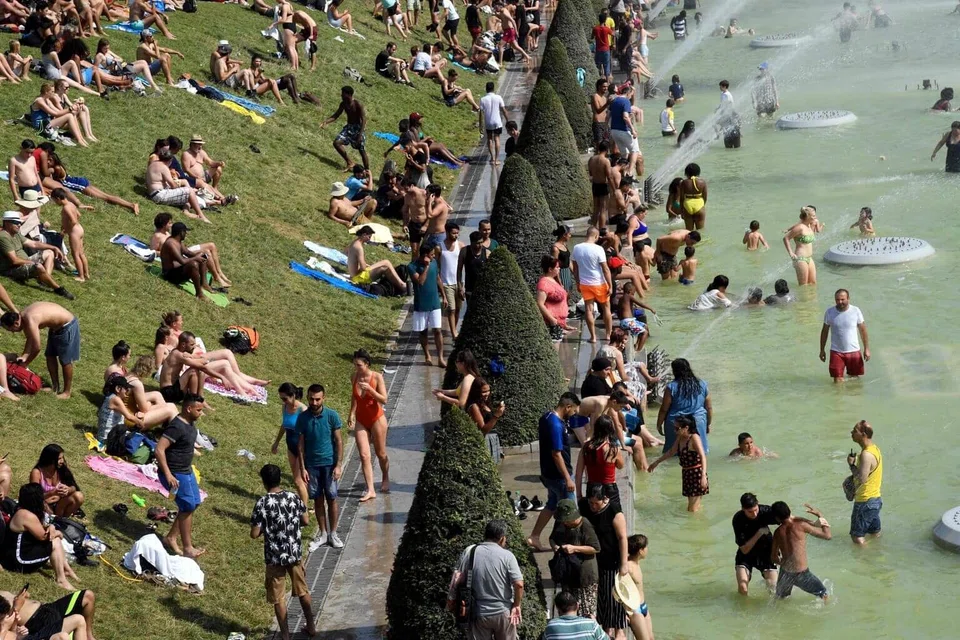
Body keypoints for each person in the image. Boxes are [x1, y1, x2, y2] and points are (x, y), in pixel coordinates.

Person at [251, 464, 315, 640]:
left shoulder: (262, 503)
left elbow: (254, 534)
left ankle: (285, 635)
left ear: (264, 482)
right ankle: (311, 625)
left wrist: (266, 527)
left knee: (279, 597)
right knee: (302, 590)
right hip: (294, 553)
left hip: (274, 557)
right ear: (279, 479)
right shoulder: (293, 497)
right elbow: (306, 520)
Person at [446, 520, 524, 639]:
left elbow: (457, 578)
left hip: (477, 613)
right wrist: (516, 605)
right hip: (503, 613)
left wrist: (451, 602)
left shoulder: (470, 551)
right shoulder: (508, 556)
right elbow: (519, 584)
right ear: (502, 538)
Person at [527, 392, 581, 551]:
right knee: (570, 511)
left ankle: (534, 536)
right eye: (573, 411)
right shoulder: (556, 425)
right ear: (568, 407)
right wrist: (568, 478)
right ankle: (568, 544)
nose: (573, 414)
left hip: (548, 473)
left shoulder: (546, 417)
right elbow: (556, 454)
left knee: (551, 504)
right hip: (560, 476)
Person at [0, 484, 79, 590]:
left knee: (54, 539)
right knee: (55, 541)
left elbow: (40, 529)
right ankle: (61, 580)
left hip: (12, 556)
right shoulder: (26, 515)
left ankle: (67, 570)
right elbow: (44, 537)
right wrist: (58, 533)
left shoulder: (22, 510)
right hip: (18, 561)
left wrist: (51, 527)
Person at [155, 394, 206, 558]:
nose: (201, 413)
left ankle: (170, 538)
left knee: (194, 503)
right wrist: (168, 474)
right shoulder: (176, 426)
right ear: (189, 408)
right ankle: (188, 548)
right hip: (175, 473)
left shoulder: (190, 423)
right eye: (199, 410)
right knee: (187, 506)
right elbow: (159, 449)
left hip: (186, 471)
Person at [297, 384, 344, 551]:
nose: (314, 402)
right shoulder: (302, 418)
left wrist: (338, 465)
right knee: (317, 499)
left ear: (323, 398)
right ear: (307, 398)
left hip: (329, 464)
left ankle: (333, 533)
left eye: (317, 399)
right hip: (312, 465)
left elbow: (339, 441)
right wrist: (302, 468)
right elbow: (300, 445)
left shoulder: (332, 416)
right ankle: (323, 533)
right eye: (311, 399)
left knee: (332, 497)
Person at [578, 484, 628, 637]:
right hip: (593, 559)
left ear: (605, 499)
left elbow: (622, 538)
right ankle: (606, 627)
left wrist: (624, 564)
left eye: (596, 503)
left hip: (611, 559)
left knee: (614, 596)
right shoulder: (584, 507)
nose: (593, 506)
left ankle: (619, 630)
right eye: (591, 502)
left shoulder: (614, 511)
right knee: (599, 597)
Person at [2, 302, 79, 399]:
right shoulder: (23, 317)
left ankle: (67, 392)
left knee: (65, 361)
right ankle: (55, 387)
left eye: (11, 330)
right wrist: (24, 356)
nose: (13, 332)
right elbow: (30, 338)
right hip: (55, 328)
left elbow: (37, 347)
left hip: (67, 326)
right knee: (50, 355)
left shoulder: (30, 319)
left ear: (16, 323)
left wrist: (26, 363)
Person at [0, 212, 74, 300]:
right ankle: (58, 289)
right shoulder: (3, 237)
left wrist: (54, 247)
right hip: (12, 269)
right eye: (16, 223)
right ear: (7, 223)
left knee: (49, 252)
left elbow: (34, 244)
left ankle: (45, 280)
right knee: (38, 266)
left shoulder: (16, 234)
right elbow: (14, 261)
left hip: (24, 261)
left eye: (20, 222)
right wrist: (32, 262)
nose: (19, 225)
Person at [348, 349, 391, 501]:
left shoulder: (377, 377)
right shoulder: (354, 376)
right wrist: (351, 413)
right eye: (355, 364)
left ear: (367, 364)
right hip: (361, 419)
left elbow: (384, 399)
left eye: (359, 365)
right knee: (364, 455)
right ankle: (371, 489)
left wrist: (371, 390)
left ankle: (385, 476)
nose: (356, 368)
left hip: (376, 419)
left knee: (381, 453)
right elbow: (354, 397)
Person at [548, 503, 600, 622]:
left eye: (567, 520)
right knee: (567, 609)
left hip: (584, 575)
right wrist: (555, 547)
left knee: (587, 613)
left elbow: (596, 548)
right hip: (568, 573)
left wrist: (574, 548)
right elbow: (552, 538)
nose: (565, 523)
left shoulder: (585, 525)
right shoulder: (560, 521)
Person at [770, 501, 832, 600]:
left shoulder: (777, 532)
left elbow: (773, 558)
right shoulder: (800, 525)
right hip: (801, 573)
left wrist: (783, 563)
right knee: (824, 594)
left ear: (776, 518)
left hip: (785, 573)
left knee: (780, 599)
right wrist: (820, 515)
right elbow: (827, 535)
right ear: (789, 511)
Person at [647, 415, 709, 512]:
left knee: (692, 510)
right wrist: (656, 462)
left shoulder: (694, 438)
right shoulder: (680, 437)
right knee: (694, 506)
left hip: (697, 474)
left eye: (677, 428)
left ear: (686, 428)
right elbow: (671, 452)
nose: (674, 430)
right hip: (687, 474)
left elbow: (702, 456)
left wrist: (703, 476)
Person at [151, 213, 230, 288]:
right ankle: (216, 277)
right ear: (163, 224)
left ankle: (217, 274)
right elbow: (152, 251)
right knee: (206, 253)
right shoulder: (158, 236)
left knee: (207, 251)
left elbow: (185, 251)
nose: (171, 225)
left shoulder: (168, 234)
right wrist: (167, 253)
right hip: (175, 261)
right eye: (169, 223)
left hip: (181, 253)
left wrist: (196, 256)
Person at [656, 358, 711, 453]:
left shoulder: (671, 387)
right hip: (698, 421)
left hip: (676, 423)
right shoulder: (702, 384)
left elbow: (664, 409)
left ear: (674, 371)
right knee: (699, 452)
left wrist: (659, 424)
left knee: (672, 453)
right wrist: (708, 423)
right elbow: (708, 407)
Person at [0, 587, 97, 640]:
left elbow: (12, 631)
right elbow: (5, 624)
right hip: (40, 622)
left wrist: (16, 631)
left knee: (88, 596)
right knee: (63, 636)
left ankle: (88, 637)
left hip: (48, 608)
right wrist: (17, 607)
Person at [572, 227, 613, 344]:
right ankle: (608, 335)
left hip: (585, 283)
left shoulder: (576, 248)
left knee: (589, 310)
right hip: (599, 283)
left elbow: (575, 268)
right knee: (606, 308)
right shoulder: (598, 249)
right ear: (596, 236)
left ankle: (593, 337)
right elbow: (605, 269)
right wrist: (610, 285)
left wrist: (578, 282)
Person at [732, 492, 779, 595]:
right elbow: (744, 550)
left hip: (766, 552)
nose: (754, 514)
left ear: (758, 504)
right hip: (746, 554)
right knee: (743, 587)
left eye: (756, 510)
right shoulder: (738, 519)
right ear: (743, 509)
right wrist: (759, 533)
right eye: (750, 512)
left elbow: (788, 519)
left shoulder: (766, 511)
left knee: (773, 589)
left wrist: (812, 524)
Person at [270, 383, 309, 506]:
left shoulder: (303, 410)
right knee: (300, 480)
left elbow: (309, 432)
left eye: (285, 398)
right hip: (290, 446)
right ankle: (306, 502)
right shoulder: (285, 407)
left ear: (293, 396)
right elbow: (284, 425)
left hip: (302, 448)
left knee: (297, 481)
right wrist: (276, 442)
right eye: (281, 398)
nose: (283, 401)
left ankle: (304, 510)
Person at [409, 244, 448, 367]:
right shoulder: (412, 266)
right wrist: (426, 267)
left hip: (434, 302)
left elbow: (438, 279)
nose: (433, 256)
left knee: (438, 330)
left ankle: (440, 358)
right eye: (431, 254)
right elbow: (420, 281)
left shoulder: (434, 263)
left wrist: (444, 296)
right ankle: (427, 355)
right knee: (423, 331)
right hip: (421, 304)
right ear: (425, 255)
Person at [820, 288, 869, 383]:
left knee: (854, 379)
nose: (840, 302)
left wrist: (866, 349)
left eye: (842, 299)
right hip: (836, 352)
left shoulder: (856, 311)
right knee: (837, 380)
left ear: (848, 299)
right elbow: (824, 332)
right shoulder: (829, 312)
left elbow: (863, 330)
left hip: (854, 351)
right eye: (837, 300)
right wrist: (822, 350)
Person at [146, 150, 209, 222]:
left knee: (186, 189)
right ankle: (201, 215)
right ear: (170, 160)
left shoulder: (154, 163)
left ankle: (187, 210)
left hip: (153, 193)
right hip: (159, 195)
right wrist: (178, 181)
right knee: (189, 191)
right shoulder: (164, 167)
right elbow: (173, 186)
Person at [159, 222, 215, 301]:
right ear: (181, 232)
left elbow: (187, 253)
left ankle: (204, 283)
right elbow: (182, 261)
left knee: (202, 256)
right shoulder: (171, 243)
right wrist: (195, 258)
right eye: (185, 232)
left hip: (178, 270)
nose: (186, 234)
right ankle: (199, 294)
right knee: (193, 264)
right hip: (170, 275)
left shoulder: (178, 241)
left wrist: (200, 256)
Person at [575, 415, 624, 503]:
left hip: (592, 488)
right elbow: (620, 466)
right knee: (614, 511)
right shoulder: (613, 449)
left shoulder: (586, 447)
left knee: (592, 511)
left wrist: (579, 495)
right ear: (610, 430)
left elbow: (578, 474)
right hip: (609, 489)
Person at [848, 420, 882, 545]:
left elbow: (862, 479)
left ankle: (864, 556)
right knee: (874, 533)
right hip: (875, 500)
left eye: (854, 431)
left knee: (857, 537)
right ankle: (876, 553)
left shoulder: (865, 455)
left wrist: (852, 465)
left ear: (863, 434)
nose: (851, 432)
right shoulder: (875, 449)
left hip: (864, 501)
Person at [321, 86, 369, 171]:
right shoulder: (343, 104)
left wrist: (360, 135)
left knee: (361, 149)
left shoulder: (357, 104)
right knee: (336, 143)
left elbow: (364, 119)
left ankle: (367, 171)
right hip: (349, 128)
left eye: (343, 94)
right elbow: (336, 115)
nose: (341, 95)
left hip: (358, 128)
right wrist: (326, 122)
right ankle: (349, 162)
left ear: (349, 95)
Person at [29, 444, 83, 518]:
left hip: (59, 504)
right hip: (43, 505)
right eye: (59, 459)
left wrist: (68, 489)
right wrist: (52, 493)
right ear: (50, 459)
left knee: (79, 496)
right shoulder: (37, 473)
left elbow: (74, 487)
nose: (62, 461)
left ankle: (62, 519)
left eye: (62, 458)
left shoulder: (61, 469)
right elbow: (34, 497)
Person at [182, 136, 237, 205]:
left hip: (203, 176)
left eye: (201, 144)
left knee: (218, 169)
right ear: (192, 144)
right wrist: (196, 177)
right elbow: (186, 169)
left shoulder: (201, 152)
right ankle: (223, 198)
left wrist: (219, 163)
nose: (200, 147)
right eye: (198, 144)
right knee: (206, 186)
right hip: (193, 179)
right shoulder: (186, 154)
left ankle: (215, 188)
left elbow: (210, 162)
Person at [49, 189, 87, 282]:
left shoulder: (66, 207)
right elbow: (78, 215)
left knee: (75, 254)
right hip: (80, 229)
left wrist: (66, 229)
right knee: (81, 253)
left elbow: (73, 220)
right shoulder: (71, 204)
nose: (55, 203)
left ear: (58, 199)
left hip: (74, 232)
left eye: (54, 200)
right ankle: (86, 273)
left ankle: (81, 276)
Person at [465, 378, 505, 463]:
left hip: (492, 440)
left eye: (488, 391)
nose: (487, 394)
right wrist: (496, 415)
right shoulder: (474, 407)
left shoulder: (484, 403)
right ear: (476, 392)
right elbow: (483, 429)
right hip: (484, 442)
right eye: (483, 392)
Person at [608, 85, 642, 178]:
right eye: (631, 94)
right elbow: (625, 117)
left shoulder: (614, 101)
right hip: (623, 130)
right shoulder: (626, 101)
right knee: (635, 151)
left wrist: (607, 129)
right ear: (628, 93)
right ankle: (630, 173)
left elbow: (608, 116)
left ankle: (622, 173)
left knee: (624, 154)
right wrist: (633, 129)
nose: (631, 97)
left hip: (614, 131)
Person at [536, 256, 571, 342]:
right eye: (557, 267)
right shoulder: (544, 283)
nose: (559, 269)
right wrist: (552, 320)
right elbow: (540, 303)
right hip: (552, 324)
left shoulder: (553, 280)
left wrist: (564, 324)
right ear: (550, 269)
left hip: (558, 323)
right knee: (555, 346)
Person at [783, 206, 820, 286]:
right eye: (813, 216)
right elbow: (786, 238)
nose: (815, 217)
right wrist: (791, 253)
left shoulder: (809, 226)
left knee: (813, 283)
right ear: (807, 216)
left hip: (810, 258)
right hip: (800, 258)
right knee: (803, 285)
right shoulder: (800, 227)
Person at [439, 222, 463, 338]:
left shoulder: (461, 246)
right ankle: (454, 333)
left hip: (458, 282)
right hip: (446, 283)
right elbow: (437, 265)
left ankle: (454, 328)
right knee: (451, 309)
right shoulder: (439, 247)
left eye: (457, 233)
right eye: (453, 233)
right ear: (447, 232)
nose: (456, 235)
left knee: (458, 309)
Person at [587, 142, 617, 229]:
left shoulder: (591, 159)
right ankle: (602, 229)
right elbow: (609, 177)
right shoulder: (606, 161)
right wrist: (614, 190)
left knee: (596, 209)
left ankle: (593, 228)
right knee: (603, 209)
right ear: (607, 150)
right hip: (603, 185)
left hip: (595, 185)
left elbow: (591, 173)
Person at [480, 82, 508, 167]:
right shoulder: (498, 97)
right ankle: (496, 159)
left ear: (486, 89)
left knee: (489, 139)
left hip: (488, 122)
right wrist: (508, 120)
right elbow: (504, 110)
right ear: (493, 88)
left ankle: (492, 158)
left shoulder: (483, 99)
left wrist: (481, 124)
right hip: (497, 122)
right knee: (497, 138)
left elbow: (481, 113)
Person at [678, 162, 707, 231]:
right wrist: (702, 206)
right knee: (700, 231)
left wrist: (681, 211)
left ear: (686, 173)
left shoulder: (684, 182)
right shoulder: (702, 182)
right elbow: (705, 197)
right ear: (698, 172)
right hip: (699, 205)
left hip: (687, 206)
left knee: (688, 231)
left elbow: (681, 198)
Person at [593, 12, 614, 79]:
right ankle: (607, 81)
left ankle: (599, 79)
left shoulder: (595, 28)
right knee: (606, 66)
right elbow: (613, 34)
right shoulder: (607, 29)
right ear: (605, 20)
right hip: (606, 49)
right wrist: (613, 43)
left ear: (599, 19)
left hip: (598, 49)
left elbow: (592, 37)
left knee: (597, 65)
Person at [592, 78, 611, 149]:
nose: (606, 88)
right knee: (599, 146)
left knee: (607, 145)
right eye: (604, 86)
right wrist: (607, 104)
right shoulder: (595, 96)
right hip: (598, 123)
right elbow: (598, 110)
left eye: (607, 87)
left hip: (605, 124)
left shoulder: (605, 98)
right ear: (599, 86)